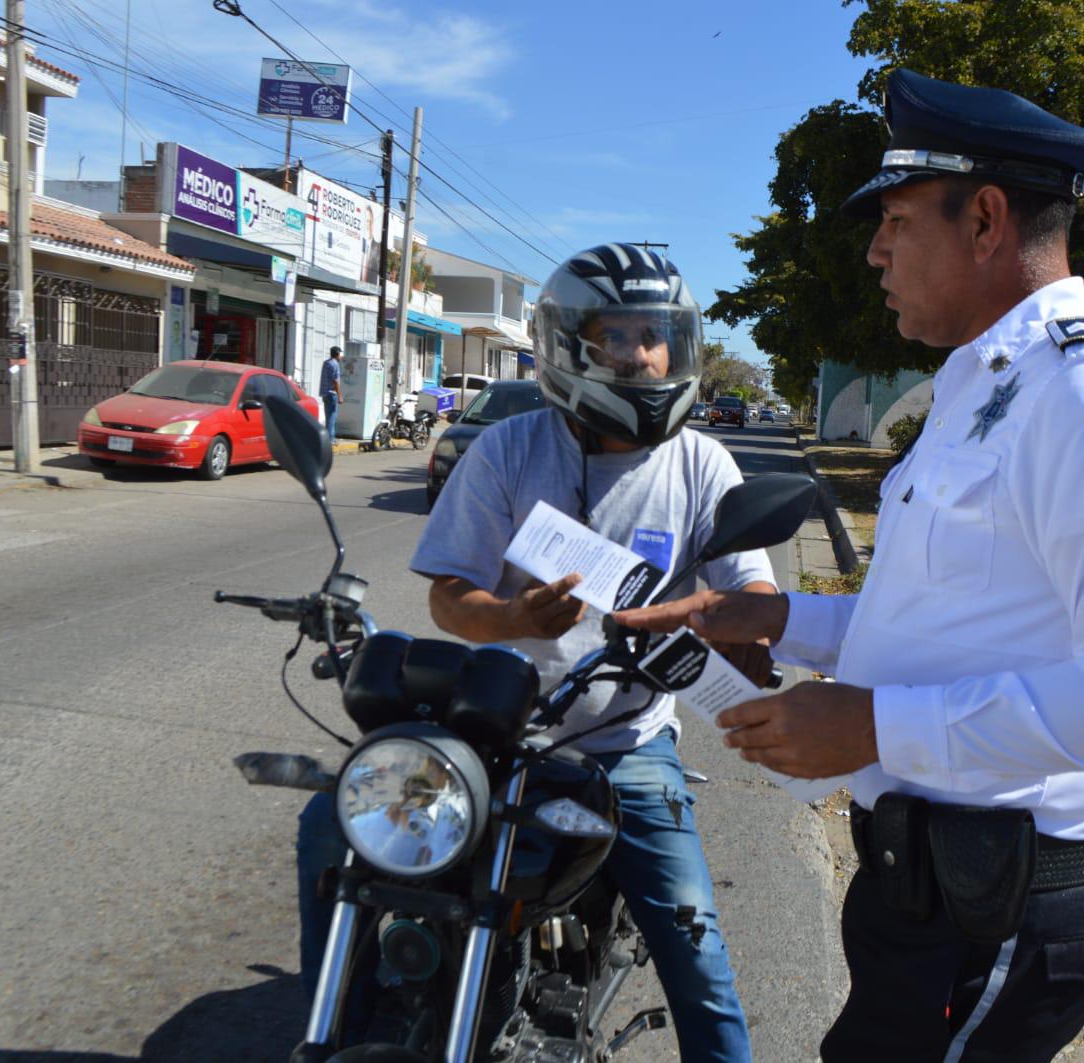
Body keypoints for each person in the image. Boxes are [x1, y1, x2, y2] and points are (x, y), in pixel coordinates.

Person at [616, 70, 1084, 1062]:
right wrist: (771, 621)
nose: (874, 251)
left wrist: (871, 722)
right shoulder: (980, 387)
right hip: (929, 891)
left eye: (895, 220)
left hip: (996, 916)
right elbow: (940, 621)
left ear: (984, 219)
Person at [296, 243, 777, 1061]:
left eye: (654, 334)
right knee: (330, 826)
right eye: (615, 333)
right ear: (567, 345)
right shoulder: (510, 448)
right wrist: (515, 614)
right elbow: (449, 595)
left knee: (697, 958)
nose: (638, 352)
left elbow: (758, 598)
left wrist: (732, 629)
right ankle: (333, 1018)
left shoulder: (703, 463)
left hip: (626, 743)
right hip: (495, 730)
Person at [320, 345, 343, 441]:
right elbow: (335, 381)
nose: (341, 357)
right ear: (337, 354)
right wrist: (340, 395)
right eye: (340, 354)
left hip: (325, 393)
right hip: (332, 394)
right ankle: (330, 439)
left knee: (328, 417)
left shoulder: (326, 363)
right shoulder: (335, 364)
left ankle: (327, 438)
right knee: (332, 418)